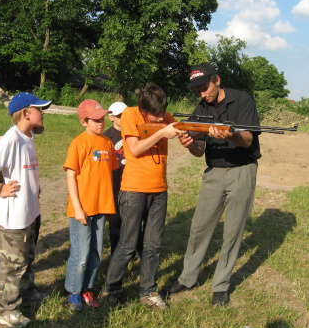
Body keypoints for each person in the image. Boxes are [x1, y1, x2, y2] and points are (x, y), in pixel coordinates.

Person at [163, 62, 261, 306]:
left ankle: (221, 285)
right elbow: (198, 151)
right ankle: (188, 278)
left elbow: (248, 139)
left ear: (216, 80)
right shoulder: (201, 107)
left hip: (242, 170)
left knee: (233, 231)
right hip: (214, 172)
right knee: (199, 226)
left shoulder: (242, 101)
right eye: (197, 90)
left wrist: (230, 134)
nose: (201, 93)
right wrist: (188, 143)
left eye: (204, 87)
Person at [103, 84, 184, 311]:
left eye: (162, 114)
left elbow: (181, 127)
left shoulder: (163, 115)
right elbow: (135, 149)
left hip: (160, 189)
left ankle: (148, 291)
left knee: (153, 245)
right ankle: (111, 288)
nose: (160, 118)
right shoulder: (130, 114)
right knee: (128, 243)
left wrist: (199, 132)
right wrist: (161, 132)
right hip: (134, 189)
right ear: (142, 108)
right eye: (155, 115)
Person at [0, 92, 51, 328]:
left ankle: (27, 292)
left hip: (29, 210)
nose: (43, 113)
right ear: (26, 113)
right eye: (39, 109)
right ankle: (6, 309)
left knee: (27, 257)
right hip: (14, 216)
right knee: (13, 264)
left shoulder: (27, 135)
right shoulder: (12, 138)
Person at [63, 99, 118, 312]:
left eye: (102, 118)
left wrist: (110, 205)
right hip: (83, 209)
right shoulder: (79, 143)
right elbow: (70, 175)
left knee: (95, 251)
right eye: (95, 119)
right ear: (84, 122)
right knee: (81, 252)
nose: (100, 122)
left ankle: (87, 288)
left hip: (102, 207)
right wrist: (77, 207)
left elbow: (109, 176)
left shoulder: (107, 143)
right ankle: (74, 292)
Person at [103, 101, 129, 255]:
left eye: (125, 115)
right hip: (115, 183)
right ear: (111, 117)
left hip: (131, 180)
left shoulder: (133, 131)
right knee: (115, 220)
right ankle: (116, 252)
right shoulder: (107, 137)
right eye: (119, 116)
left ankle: (133, 250)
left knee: (132, 220)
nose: (123, 118)